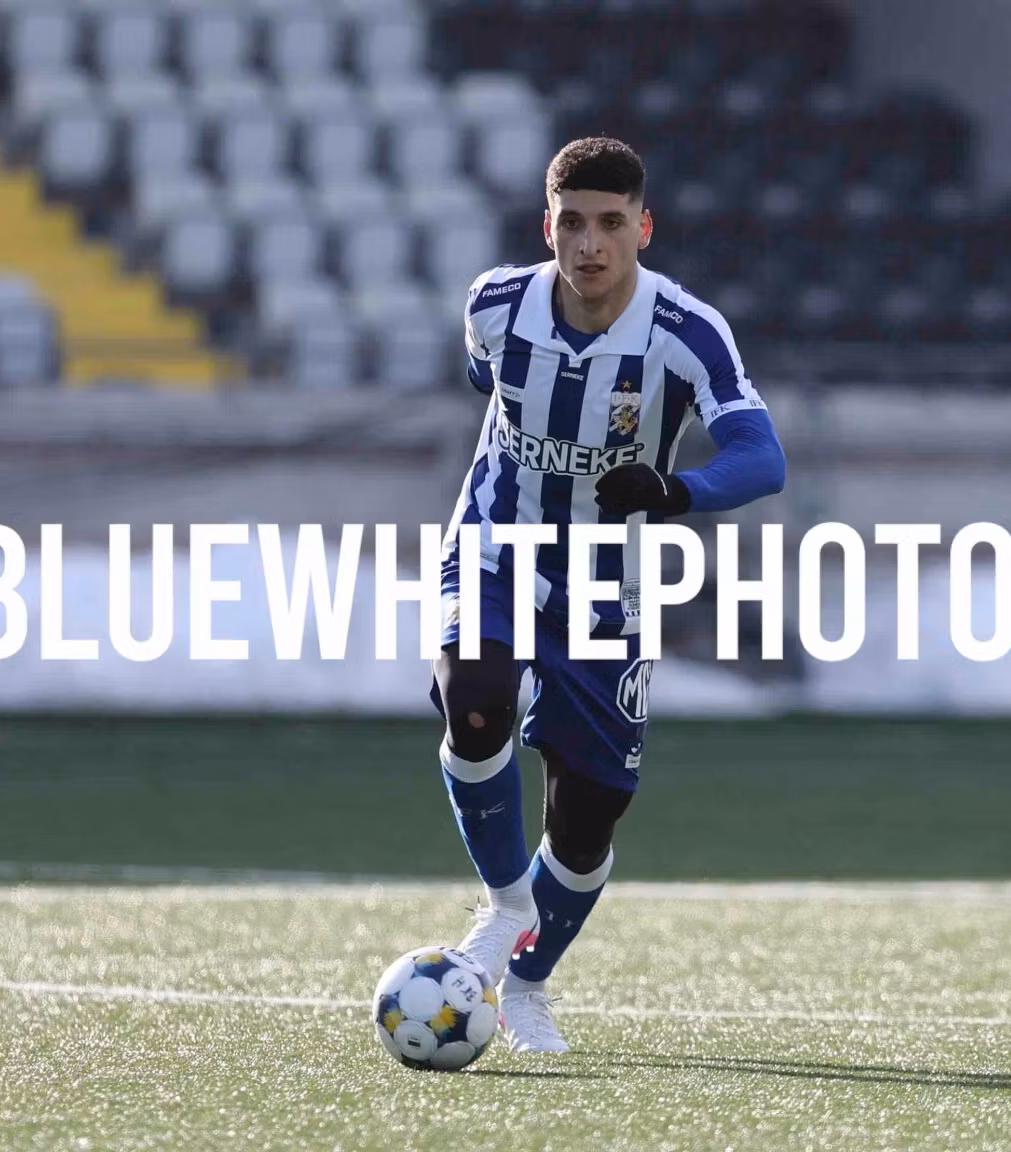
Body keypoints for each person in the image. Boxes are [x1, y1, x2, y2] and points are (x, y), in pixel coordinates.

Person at [432, 136, 788, 1053]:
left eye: (611, 224)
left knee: (587, 817)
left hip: (607, 582)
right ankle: (507, 908)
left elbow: (762, 457)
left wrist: (677, 490)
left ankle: (526, 987)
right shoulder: (495, 305)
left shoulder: (686, 330)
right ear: (546, 227)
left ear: (644, 228)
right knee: (475, 701)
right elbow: (485, 385)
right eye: (573, 224)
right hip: (498, 544)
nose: (590, 245)